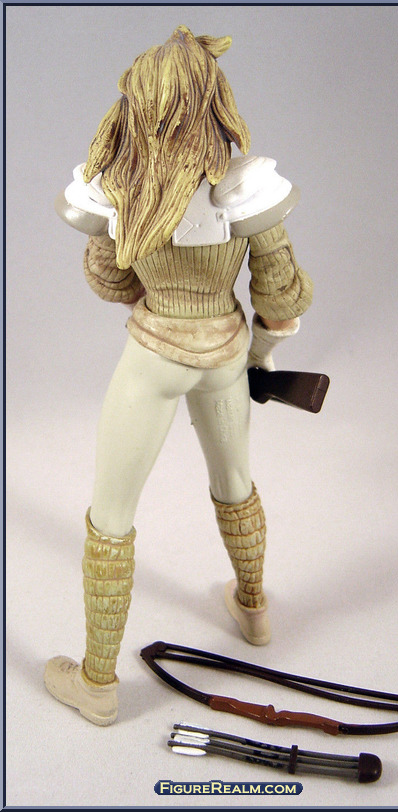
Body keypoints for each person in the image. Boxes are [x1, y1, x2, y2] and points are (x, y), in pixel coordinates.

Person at [44, 25, 313, 725]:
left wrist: (147, 279)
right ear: (212, 97)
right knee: (235, 482)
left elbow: (109, 278)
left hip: (154, 356)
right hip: (223, 352)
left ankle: (97, 682)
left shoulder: (117, 183)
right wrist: (260, 352)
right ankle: (253, 608)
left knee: (111, 517)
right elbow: (280, 295)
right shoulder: (245, 185)